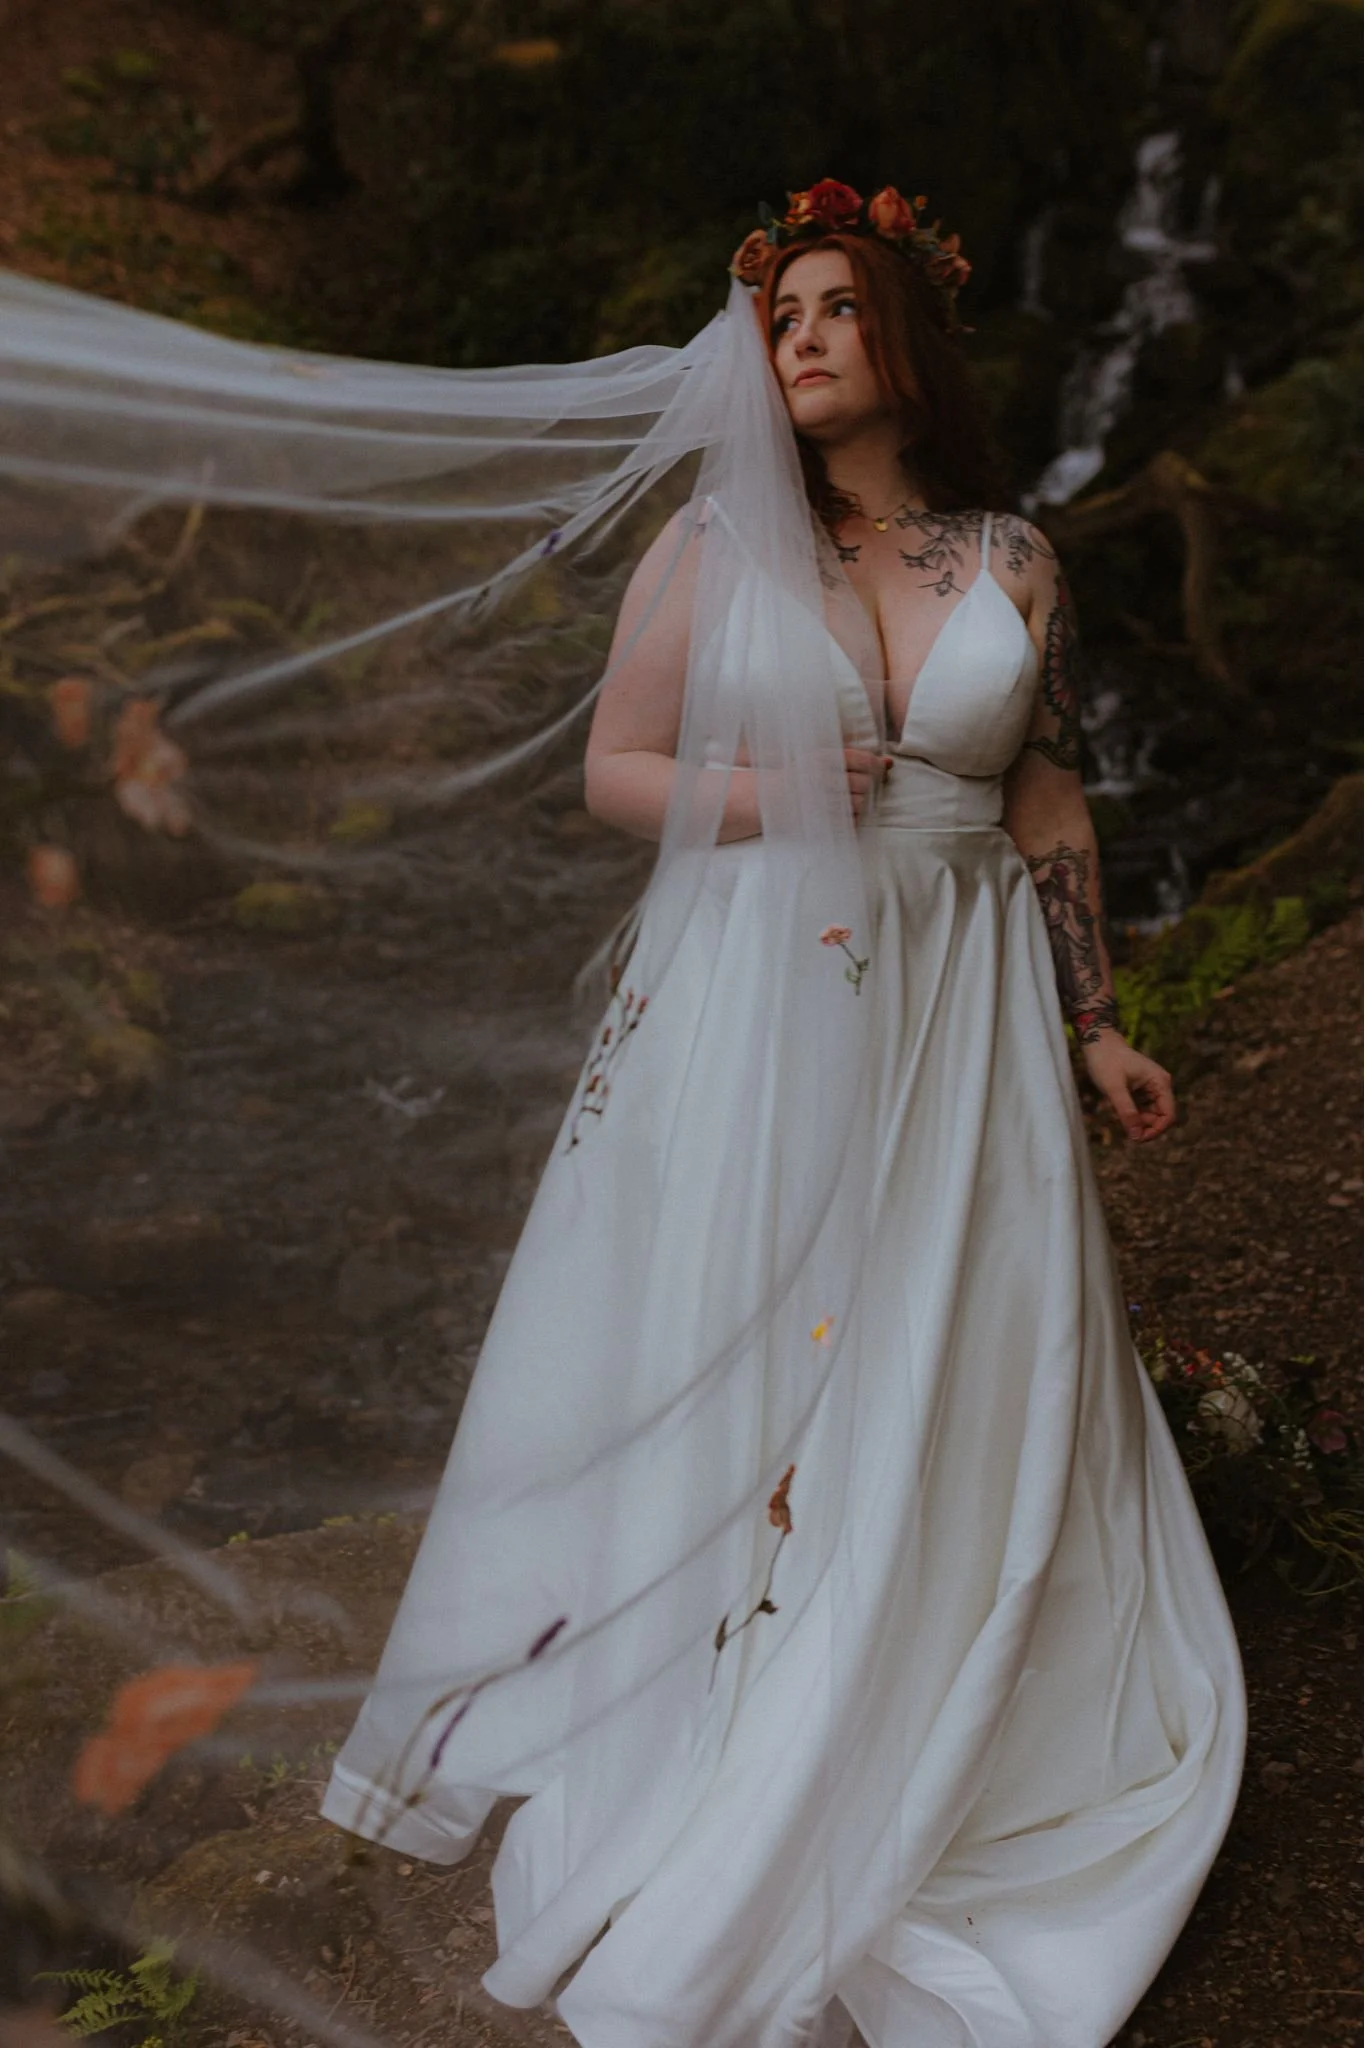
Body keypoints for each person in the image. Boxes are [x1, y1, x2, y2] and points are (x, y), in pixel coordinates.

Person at [316, 181, 1247, 2048]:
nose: (800, 337)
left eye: (836, 308)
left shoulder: (1017, 559)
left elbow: (1046, 794)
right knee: (758, 1328)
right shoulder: (716, 542)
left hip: (968, 999)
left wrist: (1094, 1021)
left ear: (906, 336)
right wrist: (773, 788)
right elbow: (615, 767)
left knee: (959, 1326)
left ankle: (947, 1678)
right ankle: (734, 1691)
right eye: (783, 314)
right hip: (765, 992)